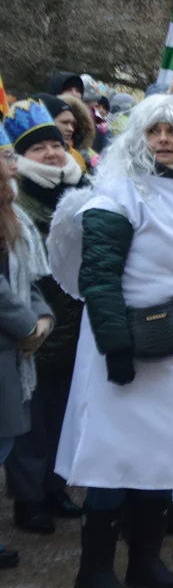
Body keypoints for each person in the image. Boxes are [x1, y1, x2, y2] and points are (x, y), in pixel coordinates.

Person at [49, 92, 173, 588]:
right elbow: (100, 279)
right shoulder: (119, 193)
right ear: (139, 136)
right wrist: (115, 348)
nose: (163, 140)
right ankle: (94, 571)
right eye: (154, 131)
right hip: (122, 351)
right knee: (113, 463)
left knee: (161, 462)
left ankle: (145, 563)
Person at [1, 99, 87, 535]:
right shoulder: (16, 203)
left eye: (56, 144)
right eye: (40, 149)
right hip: (35, 329)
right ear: (20, 157)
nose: (53, 153)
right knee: (30, 423)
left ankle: (55, 489)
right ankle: (29, 500)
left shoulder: (83, 190)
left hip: (74, 330)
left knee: (61, 415)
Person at [0, 133, 55, 571]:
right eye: (5, 154)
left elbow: (27, 278)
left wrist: (41, 320)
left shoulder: (11, 213)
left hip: (18, 348)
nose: (11, 161)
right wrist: (25, 325)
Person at [32, 93, 95, 174]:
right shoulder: (26, 156)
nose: (71, 129)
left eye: (73, 124)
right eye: (65, 122)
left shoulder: (78, 157)